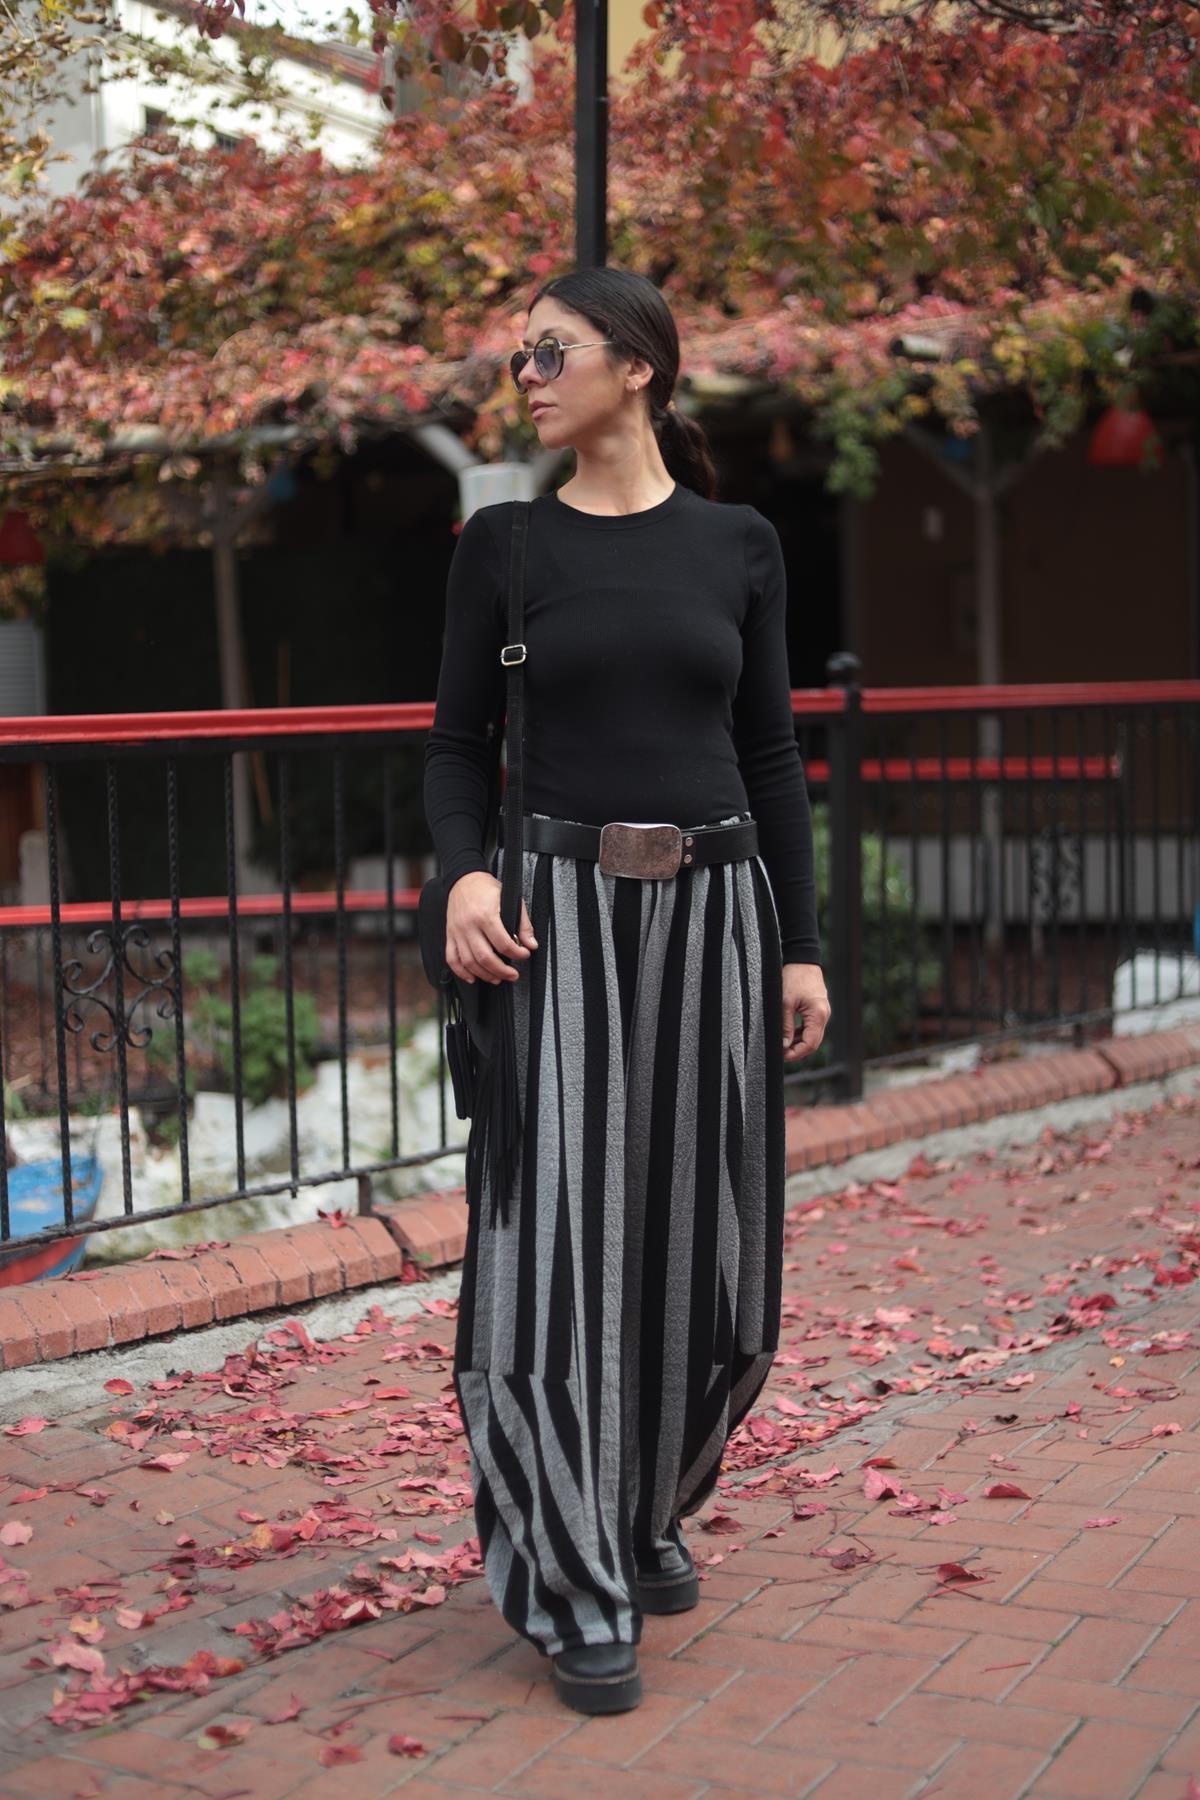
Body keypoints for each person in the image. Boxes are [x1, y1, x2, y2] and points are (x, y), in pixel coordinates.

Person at [423, 265, 830, 1716]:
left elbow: (772, 753)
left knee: (703, 1242)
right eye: (520, 355)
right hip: (556, 923)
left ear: (639, 365)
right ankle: (574, 1575)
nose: (527, 377)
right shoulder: (506, 545)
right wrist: (461, 878)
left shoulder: (738, 544)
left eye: (552, 351)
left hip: (717, 911)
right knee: (555, 1250)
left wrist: (800, 943)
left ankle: (646, 1500)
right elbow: (457, 744)